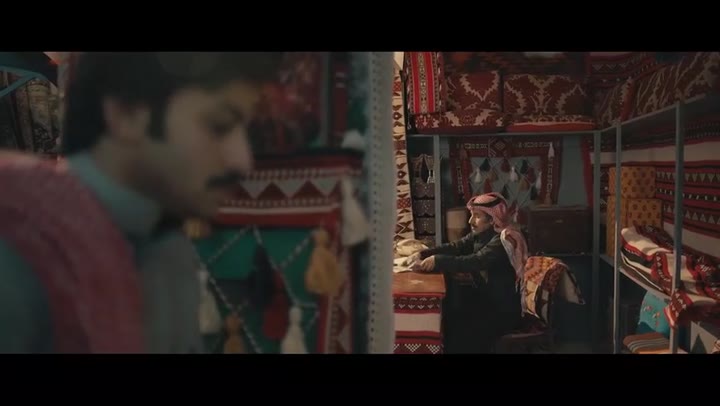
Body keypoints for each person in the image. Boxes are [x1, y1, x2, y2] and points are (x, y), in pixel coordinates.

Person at [0, 52, 284, 353]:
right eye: (219, 125)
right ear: (128, 114)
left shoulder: (165, 246)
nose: (242, 160)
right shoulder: (19, 241)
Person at [408, 192, 529, 353]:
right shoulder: (481, 234)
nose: (470, 221)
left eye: (477, 216)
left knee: (457, 329)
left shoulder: (504, 239)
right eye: (472, 215)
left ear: (492, 220)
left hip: (502, 309)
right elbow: (456, 247)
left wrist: (438, 260)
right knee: (448, 314)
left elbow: (476, 261)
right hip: (486, 299)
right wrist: (423, 254)